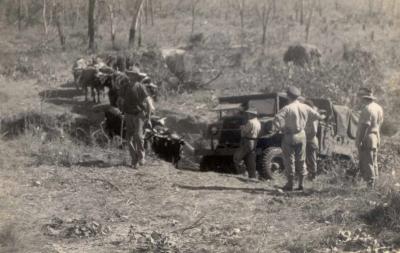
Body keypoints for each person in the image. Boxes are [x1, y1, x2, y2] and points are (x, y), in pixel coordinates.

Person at [273, 86, 325, 191]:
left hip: (290, 135)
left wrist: (281, 128)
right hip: (302, 135)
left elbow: (277, 119)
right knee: (301, 159)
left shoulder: (287, 108)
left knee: (289, 160)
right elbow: (318, 117)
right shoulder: (305, 107)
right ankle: (301, 184)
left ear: (288, 96)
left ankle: (290, 184)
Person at [117, 68, 155, 169]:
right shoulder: (124, 87)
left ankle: (141, 157)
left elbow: (148, 102)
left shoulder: (140, 87)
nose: (131, 77)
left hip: (139, 114)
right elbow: (120, 100)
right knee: (128, 139)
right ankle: (134, 159)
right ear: (128, 76)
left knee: (138, 136)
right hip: (128, 114)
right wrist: (121, 110)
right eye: (130, 75)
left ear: (136, 77)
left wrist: (149, 117)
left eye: (133, 75)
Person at [355, 88, 383, 188]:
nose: (359, 100)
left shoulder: (367, 109)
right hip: (376, 136)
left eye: (360, 98)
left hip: (367, 136)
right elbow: (379, 124)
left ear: (364, 98)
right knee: (373, 161)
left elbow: (365, 126)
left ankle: (370, 187)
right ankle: (376, 185)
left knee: (367, 162)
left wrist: (360, 140)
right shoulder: (378, 108)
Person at [233, 108, 261, 180]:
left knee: (237, 157)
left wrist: (242, 128)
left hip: (247, 141)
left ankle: (243, 173)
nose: (248, 115)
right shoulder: (258, 122)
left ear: (252, 114)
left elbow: (245, 132)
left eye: (249, 114)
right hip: (254, 141)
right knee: (251, 160)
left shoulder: (250, 122)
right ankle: (253, 176)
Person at [303, 99, 320, 180]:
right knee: (307, 158)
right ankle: (310, 175)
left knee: (311, 158)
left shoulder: (312, 117)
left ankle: (313, 176)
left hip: (310, 140)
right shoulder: (309, 115)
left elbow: (314, 130)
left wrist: (307, 137)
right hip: (308, 139)